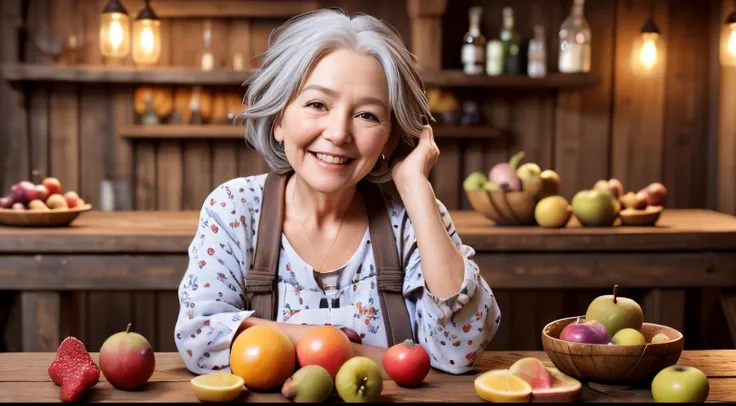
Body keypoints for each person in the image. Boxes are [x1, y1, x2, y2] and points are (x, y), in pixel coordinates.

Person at [174, 8, 501, 377]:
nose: (339, 133)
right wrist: (347, 348)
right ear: (280, 119)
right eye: (317, 105)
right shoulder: (234, 209)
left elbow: (459, 351)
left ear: (390, 138)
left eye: (367, 115)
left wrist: (416, 187)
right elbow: (199, 338)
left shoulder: (414, 216)